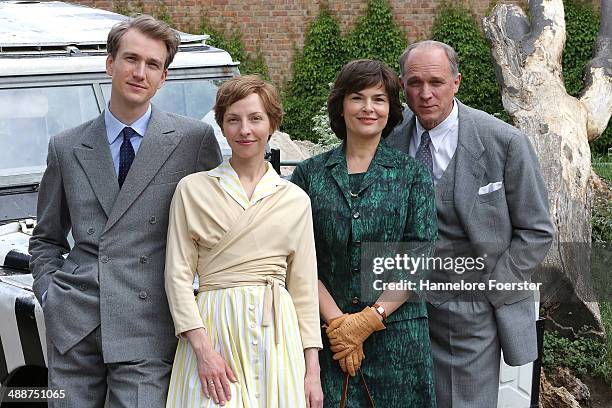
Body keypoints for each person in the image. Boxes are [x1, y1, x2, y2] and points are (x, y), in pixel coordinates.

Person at [29, 15, 222, 407]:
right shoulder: (66, 146)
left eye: (152, 64)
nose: (140, 72)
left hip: (149, 326)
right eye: (131, 59)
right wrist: (52, 294)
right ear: (110, 64)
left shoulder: (193, 141)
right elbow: (45, 239)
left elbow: (216, 234)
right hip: (75, 326)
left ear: (164, 77)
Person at [386, 40, 555, 407]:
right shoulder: (389, 140)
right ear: (403, 85)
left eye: (437, 82)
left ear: (457, 82)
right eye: (415, 83)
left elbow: (538, 230)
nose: (426, 94)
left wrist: (494, 286)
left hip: (471, 316)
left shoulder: (504, 142)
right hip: (399, 312)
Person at [164, 75, 324, 408]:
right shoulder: (192, 190)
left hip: (278, 337)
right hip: (212, 331)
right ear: (222, 126)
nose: (245, 130)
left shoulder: (295, 199)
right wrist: (203, 351)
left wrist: (312, 371)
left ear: (272, 124)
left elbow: (305, 288)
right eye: (233, 120)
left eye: (255, 118)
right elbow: (177, 278)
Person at [291, 59, 437, 407]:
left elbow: (420, 255)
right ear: (341, 106)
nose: (368, 108)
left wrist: (371, 318)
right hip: (330, 340)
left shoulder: (412, 175)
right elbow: (296, 256)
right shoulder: (309, 175)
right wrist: (341, 324)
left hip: (398, 341)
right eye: (358, 97)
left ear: (391, 110)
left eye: (379, 99)